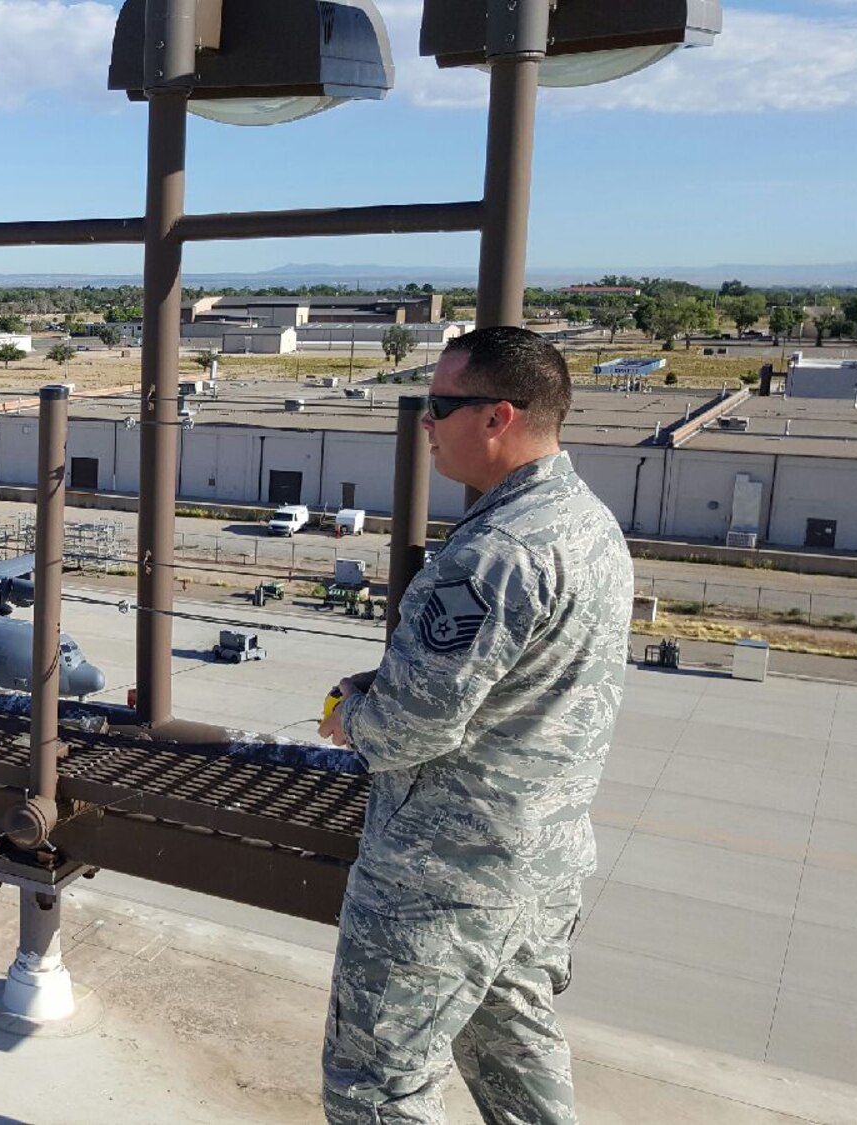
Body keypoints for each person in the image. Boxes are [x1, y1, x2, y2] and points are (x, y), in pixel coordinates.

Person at [316, 326, 634, 1124]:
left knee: (377, 1088)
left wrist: (352, 712)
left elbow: (405, 728)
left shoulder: (491, 554)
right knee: (517, 1067)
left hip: (443, 879)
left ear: (497, 416)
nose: (425, 423)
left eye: (438, 405)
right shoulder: (589, 525)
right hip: (538, 865)